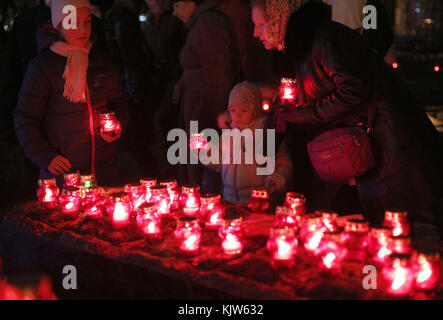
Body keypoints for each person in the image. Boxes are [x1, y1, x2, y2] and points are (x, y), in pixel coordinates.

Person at [275, 1, 443, 240]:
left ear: (279, 19)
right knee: (389, 221)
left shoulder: (326, 39)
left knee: (410, 219)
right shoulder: (310, 44)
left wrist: (305, 114)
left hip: (390, 138)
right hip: (374, 137)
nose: (256, 32)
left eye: (262, 23)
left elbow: (352, 90)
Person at [14, 0, 130, 187]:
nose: (83, 29)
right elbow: (25, 118)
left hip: (103, 171)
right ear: (58, 24)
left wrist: (117, 125)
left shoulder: (101, 61)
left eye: (87, 22)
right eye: (73, 23)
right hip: (63, 176)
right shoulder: (43, 67)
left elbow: (119, 103)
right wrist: (46, 156)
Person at [172, 0, 241, 193]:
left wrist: (219, 115)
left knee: (204, 164)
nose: (174, 13)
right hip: (199, 104)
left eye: (177, 5)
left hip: (204, 108)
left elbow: (219, 73)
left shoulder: (209, 24)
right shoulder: (204, 22)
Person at [202, 82, 293, 204]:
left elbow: (283, 165)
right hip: (229, 201)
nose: (237, 115)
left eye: (244, 110)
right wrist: (203, 150)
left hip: (257, 203)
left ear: (255, 111)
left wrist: (276, 180)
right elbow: (218, 162)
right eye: (233, 110)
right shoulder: (228, 135)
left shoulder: (266, 135)